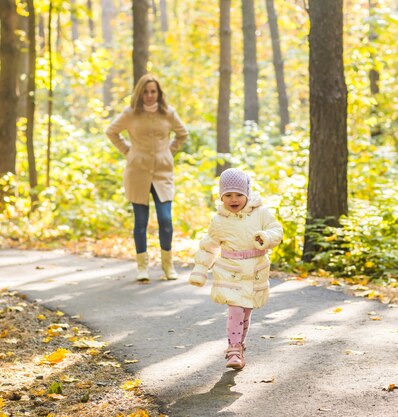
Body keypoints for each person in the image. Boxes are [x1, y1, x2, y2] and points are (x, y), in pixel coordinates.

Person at [189, 168, 283, 370]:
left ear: (247, 194)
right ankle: (233, 348)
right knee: (236, 309)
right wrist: (201, 269)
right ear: (221, 197)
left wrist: (266, 238)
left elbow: (277, 231)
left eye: (239, 195)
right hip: (230, 271)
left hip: (255, 271)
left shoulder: (261, 213)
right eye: (228, 195)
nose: (233, 199)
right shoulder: (219, 220)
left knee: (245, 312)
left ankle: (239, 346)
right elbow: (209, 245)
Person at [105, 74, 189, 282]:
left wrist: (170, 151)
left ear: (159, 93)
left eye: (153, 91)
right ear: (140, 93)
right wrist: (128, 151)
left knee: (165, 219)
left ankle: (167, 266)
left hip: (162, 172)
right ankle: (142, 267)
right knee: (140, 221)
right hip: (137, 171)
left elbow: (182, 134)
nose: (150, 96)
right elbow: (111, 132)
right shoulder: (130, 113)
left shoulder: (168, 113)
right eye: (146, 91)